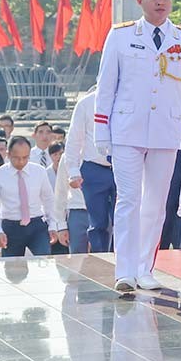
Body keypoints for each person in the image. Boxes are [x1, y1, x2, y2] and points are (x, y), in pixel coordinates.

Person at [94, 0, 181, 292]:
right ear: (140, 1)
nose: (160, 2)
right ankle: (124, 270)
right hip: (127, 129)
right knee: (129, 200)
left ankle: (145, 267)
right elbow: (106, 85)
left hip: (165, 131)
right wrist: (101, 129)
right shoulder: (121, 35)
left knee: (157, 204)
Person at [0, 136, 61, 257]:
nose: (21, 162)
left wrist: (53, 225)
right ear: (8, 154)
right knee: (13, 271)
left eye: (25, 157)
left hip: (37, 224)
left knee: (44, 262)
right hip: (11, 226)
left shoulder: (39, 171)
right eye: (16, 158)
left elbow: (48, 199)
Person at [65, 85, 116, 253]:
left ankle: (124, 262)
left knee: (124, 220)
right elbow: (74, 139)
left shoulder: (129, 99)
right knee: (97, 222)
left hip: (123, 167)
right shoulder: (86, 103)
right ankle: (101, 260)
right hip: (94, 169)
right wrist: (73, 171)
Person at [51, 143, 87, 253]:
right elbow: (60, 192)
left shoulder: (105, 154)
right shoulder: (67, 157)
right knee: (77, 258)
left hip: (103, 210)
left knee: (103, 257)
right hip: (77, 212)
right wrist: (61, 226)